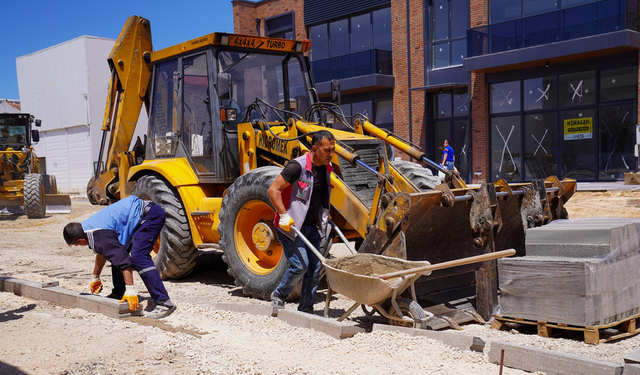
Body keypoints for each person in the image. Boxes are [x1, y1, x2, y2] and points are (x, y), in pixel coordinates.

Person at [63, 195, 176, 319]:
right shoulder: (87, 227)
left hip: (150, 216)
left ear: (80, 240)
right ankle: (119, 293)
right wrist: (96, 276)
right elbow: (104, 251)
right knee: (116, 254)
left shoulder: (98, 234)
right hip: (139, 216)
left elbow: (124, 262)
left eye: (77, 245)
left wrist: (131, 290)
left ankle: (164, 302)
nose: (80, 246)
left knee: (139, 257)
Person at [267, 130, 336, 313]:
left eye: (333, 150)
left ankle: (306, 309)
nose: (331, 154)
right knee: (300, 265)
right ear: (314, 149)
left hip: (310, 226)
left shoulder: (326, 168)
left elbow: (320, 196)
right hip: (290, 226)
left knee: (315, 268)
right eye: (327, 150)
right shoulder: (296, 167)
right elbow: (273, 190)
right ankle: (279, 295)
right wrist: (283, 215)